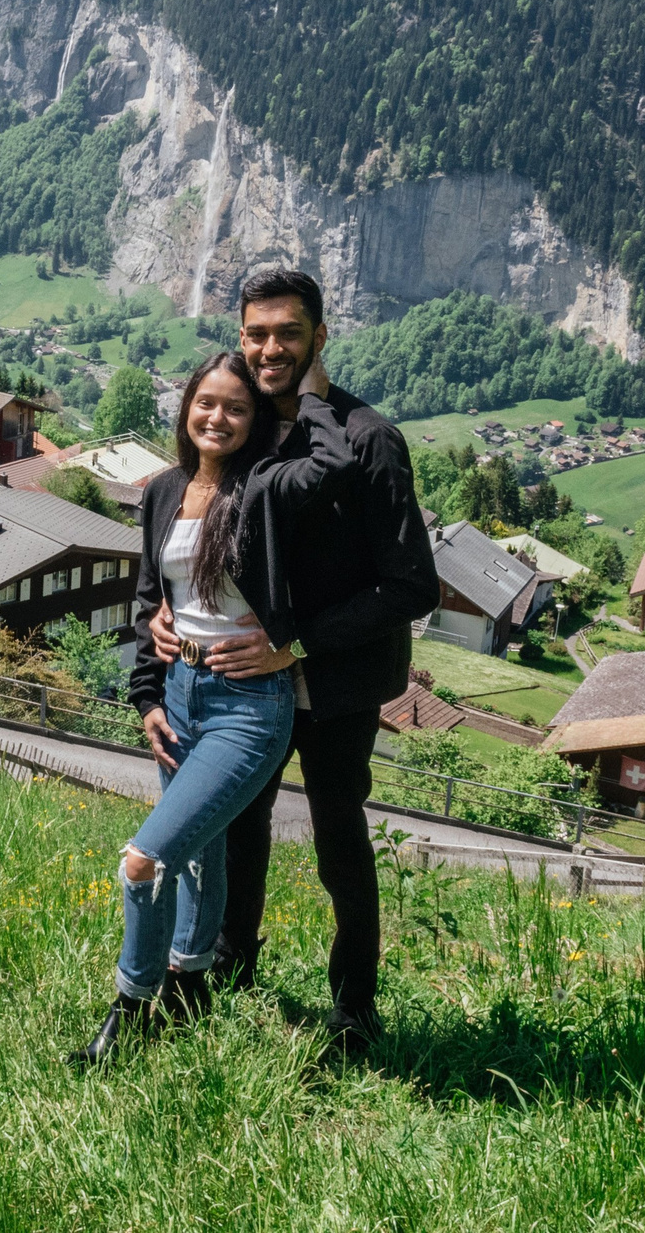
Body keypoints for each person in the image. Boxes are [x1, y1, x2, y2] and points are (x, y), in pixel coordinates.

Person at [148, 267, 438, 1049]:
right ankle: (229, 963)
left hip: (334, 680)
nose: (270, 347)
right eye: (257, 333)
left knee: (338, 835)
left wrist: (297, 644)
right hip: (243, 678)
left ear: (318, 336)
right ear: (240, 336)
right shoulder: (247, 432)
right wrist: (166, 606)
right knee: (236, 827)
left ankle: (353, 1004)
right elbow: (197, 527)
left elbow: (412, 584)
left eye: (287, 332)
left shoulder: (369, 437)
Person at [68, 348, 356, 1066]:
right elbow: (149, 600)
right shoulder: (164, 489)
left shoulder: (265, 486)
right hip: (180, 695)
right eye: (206, 402)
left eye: (236, 406)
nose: (217, 417)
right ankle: (190, 983)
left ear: (257, 419)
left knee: (145, 861)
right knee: (195, 857)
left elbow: (336, 465)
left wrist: (313, 398)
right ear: (185, 406)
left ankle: (131, 1009)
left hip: (248, 707)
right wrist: (145, 695)